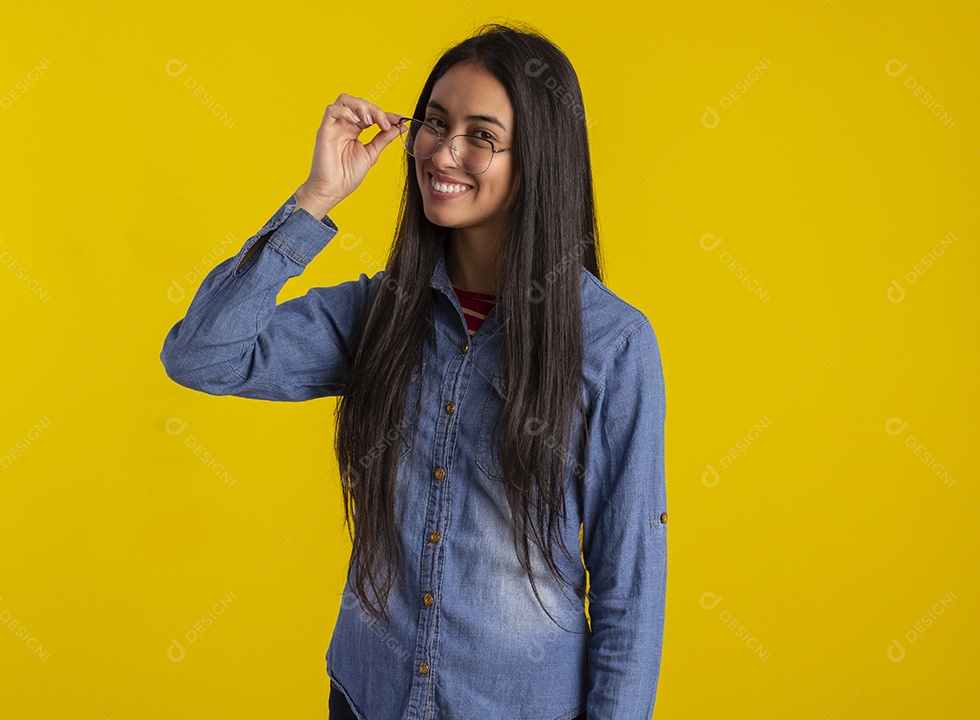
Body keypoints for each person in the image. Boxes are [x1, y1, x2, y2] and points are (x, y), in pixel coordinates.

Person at [160, 21, 667, 720]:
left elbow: (629, 584)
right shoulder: (380, 313)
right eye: (433, 122)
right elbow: (201, 356)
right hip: (368, 699)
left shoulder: (613, 344)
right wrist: (315, 200)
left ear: (538, 160)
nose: (443, 151)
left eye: (481, 135)